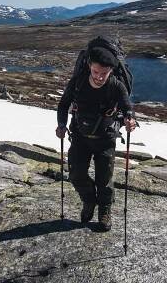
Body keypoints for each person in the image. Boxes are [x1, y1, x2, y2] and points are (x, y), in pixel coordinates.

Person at [56, 46, 136, 232]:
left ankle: (105, 210)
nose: (99, 76)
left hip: (105, 139)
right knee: (76, 174)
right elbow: (63, 104)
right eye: (95, 71)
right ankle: (89, 200)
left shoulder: (116, 85)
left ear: (111, 71)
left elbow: (127, 107)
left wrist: (130, 119)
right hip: (80, 136)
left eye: (104, 73)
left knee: (104, 179)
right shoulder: (78, 81)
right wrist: (61, 124)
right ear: (90, 66)